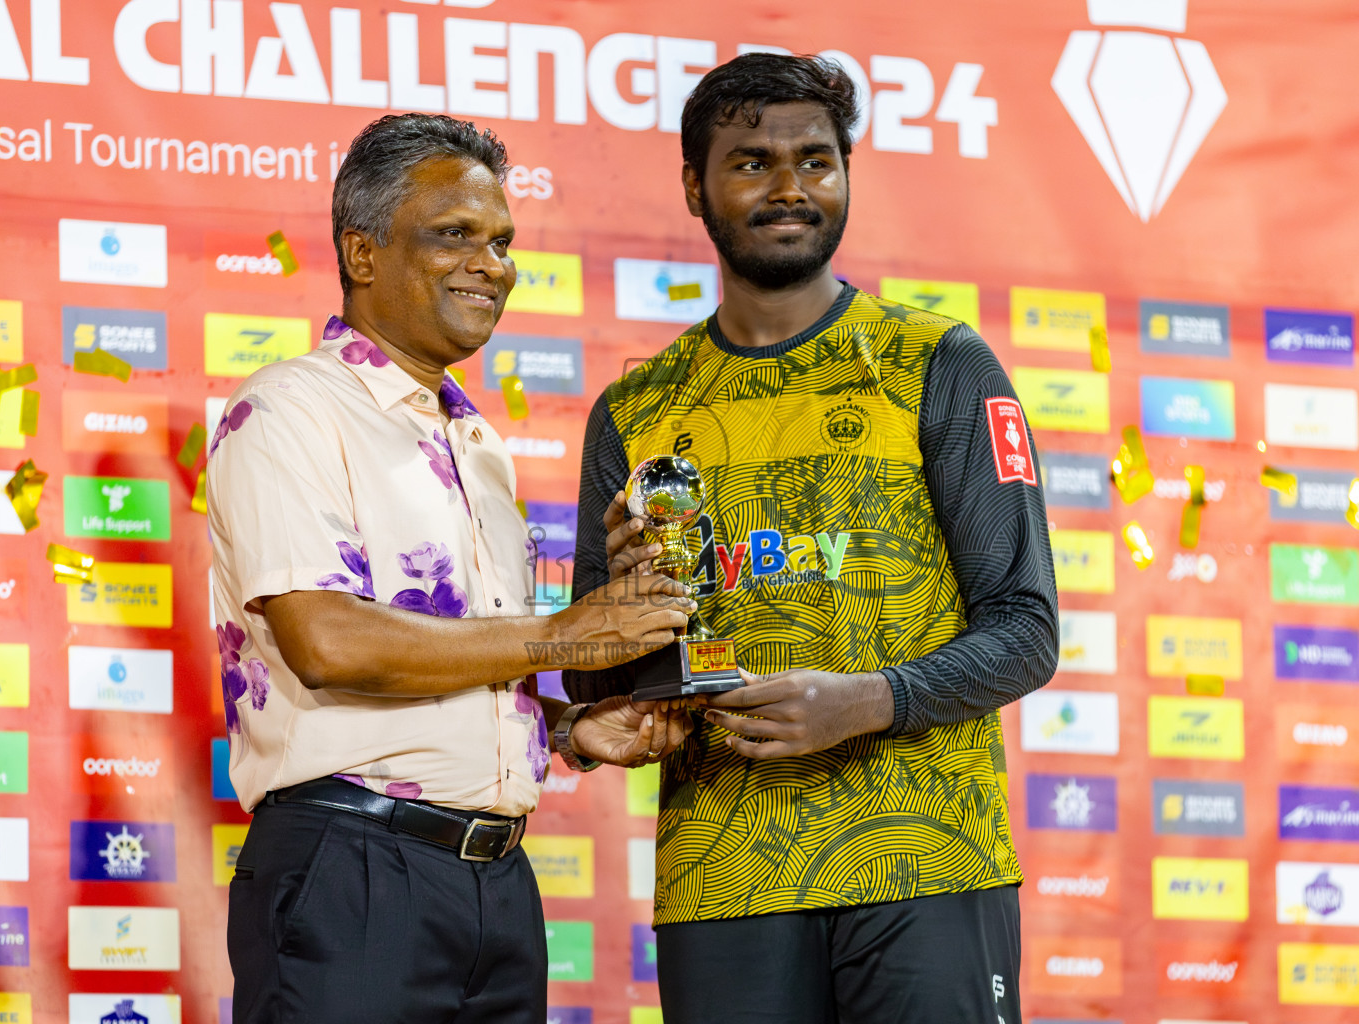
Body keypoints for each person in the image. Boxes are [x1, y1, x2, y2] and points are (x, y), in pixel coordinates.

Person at [565, 54, 1059, 1024]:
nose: (790, 186)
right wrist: (620, 626)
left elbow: (1026, 627)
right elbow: (594, 678)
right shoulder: (636, 409)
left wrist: (870, 700)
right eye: (751, 161)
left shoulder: (938, 362)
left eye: (816, 160)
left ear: (846, 173)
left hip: (926, 858)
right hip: (726, 874)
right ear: (693, 186)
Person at [208, 113, 696, 1024]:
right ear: (362, 254)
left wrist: (568, 728)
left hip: (495, 885)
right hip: (351, 874)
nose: (492, 264)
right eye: (455, 235)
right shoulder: (290, 409)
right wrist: (564, 634)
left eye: (503, 241)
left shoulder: (477, 445)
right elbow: (327, 640)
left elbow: (460, 662)